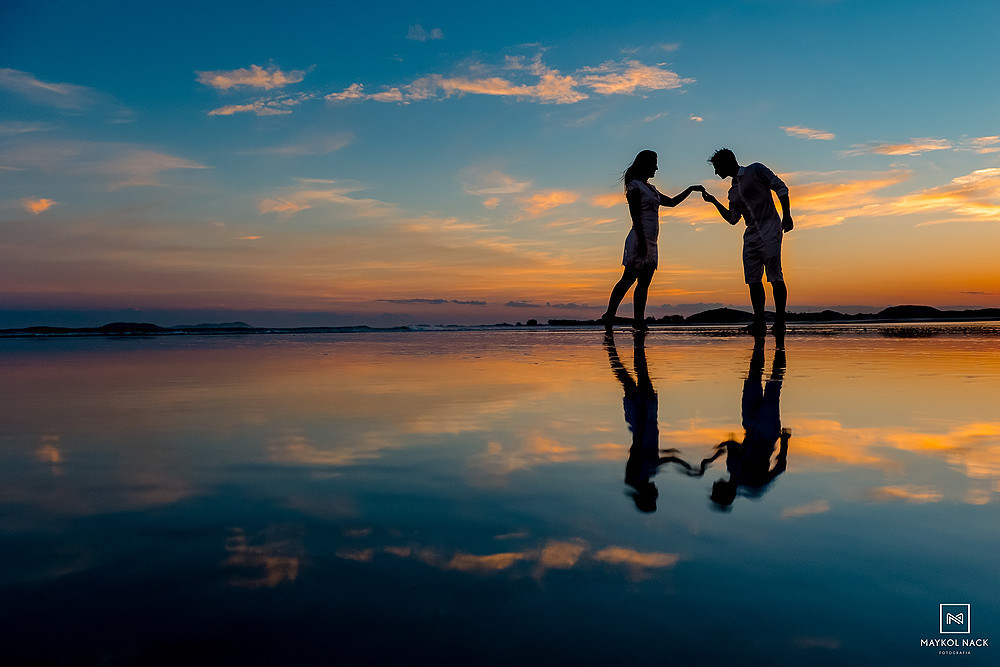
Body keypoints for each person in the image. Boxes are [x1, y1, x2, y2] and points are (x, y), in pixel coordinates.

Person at [602, 150, 704, 331]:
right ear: (645, 165)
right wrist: (641, 241)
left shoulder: (652, 189)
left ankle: (638, 321)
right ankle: (609, 315)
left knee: (644, 283)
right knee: (628, 279)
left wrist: (691, 189)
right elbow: (635, 216)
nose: (656, 167)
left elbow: (672, 202)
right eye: (654, 163)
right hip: (639, 238)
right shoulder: (635, 187)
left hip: (652, 241)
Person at [702, 149, 793, 342]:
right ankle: (759, 321)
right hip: (751, 236)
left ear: (727, 162)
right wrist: (713, 202)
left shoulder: (755, 170)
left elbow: (781, 188)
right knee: (753, 280)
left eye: (717, 167)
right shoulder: (732, 191)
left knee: (775, 274)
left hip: (770, 228)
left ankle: (780, 321)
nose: (716, 172)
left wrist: (786, 215)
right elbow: (733, 218)